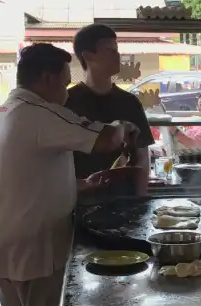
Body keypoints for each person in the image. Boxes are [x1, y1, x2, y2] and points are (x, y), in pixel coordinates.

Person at [0, 43, 138, 306]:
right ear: (47, 77)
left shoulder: (2, 114)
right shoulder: (39, 112)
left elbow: (23, 176)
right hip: (36, 244)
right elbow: (108, 138)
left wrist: (82, 184)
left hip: (4, 240)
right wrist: (126, 125)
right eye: (65, 81)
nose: (67, 91)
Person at [65, 24, 154, 193]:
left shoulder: (129, 101)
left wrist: (141, 195)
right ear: (88, 56)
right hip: (81, 198)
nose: (117, 55)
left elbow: (142, 155)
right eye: (109, 50)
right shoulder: (68, 101)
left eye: (117, 50)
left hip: (124, 198)